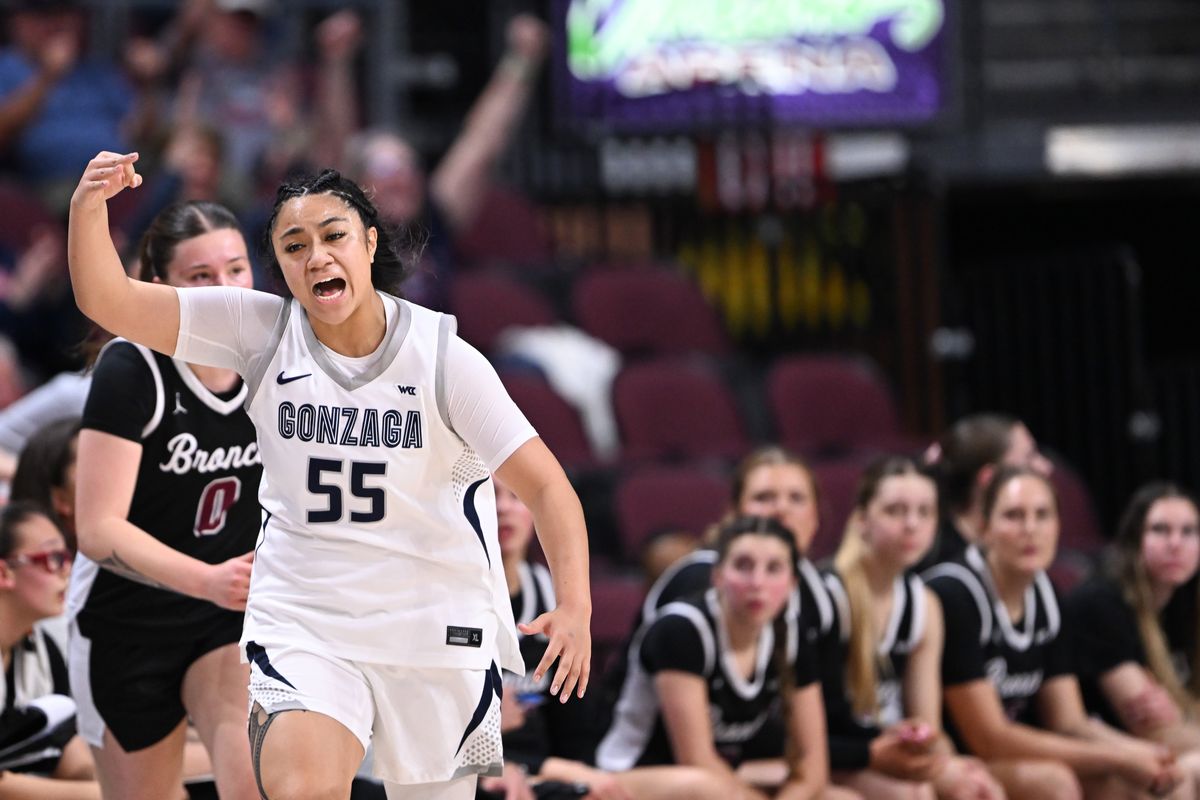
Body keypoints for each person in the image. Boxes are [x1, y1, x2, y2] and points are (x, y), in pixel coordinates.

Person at [67, 154, 592, 800]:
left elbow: (547, 488)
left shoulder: (444, 358)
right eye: (295, 245)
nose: (315, 256)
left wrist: (577, 605)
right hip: (307, 621)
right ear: (281, 266)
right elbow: (107, 300)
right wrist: (88, 207)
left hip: (433, 625)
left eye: (333, 236)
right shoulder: (258, 330)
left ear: (369, 243)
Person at [67, 199, 262, 800]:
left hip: (225, 618)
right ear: (159, 288)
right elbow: (97, 531)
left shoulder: (275, 362)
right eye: (200, 277)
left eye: (235, 269)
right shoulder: (132, 368)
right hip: (125, 617)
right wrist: (204, 578)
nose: (225, 290)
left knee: (257, 780)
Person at [633, 446, 942, 788]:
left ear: (816, 517)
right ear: (734, 514)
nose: (781, 509)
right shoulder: (697, 583)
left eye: (796, 498)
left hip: (760, 758)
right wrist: (865, 752)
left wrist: (881, 738)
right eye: (764, 497)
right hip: (672, 768)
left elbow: (827, 718)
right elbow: (698, 753)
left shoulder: (814, 593)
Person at [924, 466, 1187, 799]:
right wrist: (1119, 757)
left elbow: (1069, 721)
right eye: (1014, 516)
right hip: (958, 757)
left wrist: (1141, 753)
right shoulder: (956, 594)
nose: (1030, 529)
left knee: (1145, 779)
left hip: (1014, 749)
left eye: (1043, 515)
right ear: (984, 527)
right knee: (1053, 782)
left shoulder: (1046, 592)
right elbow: (989, 738)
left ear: (1059, 526)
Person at [487, 477, 725, 800]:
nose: (503, 508)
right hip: (484, 774)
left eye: (516, 496)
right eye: (489, 494)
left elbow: (575, 721)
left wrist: (579, 774)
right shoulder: (446, 603)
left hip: (553, 771)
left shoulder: (553, 594)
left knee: (701, 788)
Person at [335, 13, 551, 309]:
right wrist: (336, 62)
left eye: (409, 166)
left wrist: (523, 59)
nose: (401, 178)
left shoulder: (432, 223)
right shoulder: (335, 240)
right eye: (385, 167)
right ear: (354, 184)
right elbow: (336, 136)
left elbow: (482, 144)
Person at [825, 457, 1002, 800]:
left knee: (979, 786)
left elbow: (926, 722)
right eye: (895, 511)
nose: (912, 524)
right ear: (862, 520)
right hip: (842, 754)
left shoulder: (924, 604)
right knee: (913, 795)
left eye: (925, 512)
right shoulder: (831, 596)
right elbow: (819, 726)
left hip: (890, 748)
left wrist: (929, 746)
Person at [1065, 483, 1200, 777]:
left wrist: (1183, 715)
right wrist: (1183, 716)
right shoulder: (1101, 603)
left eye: (1189, 532)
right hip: (1098, 750)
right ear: (1134, 539)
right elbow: (1155, 729)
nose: (1175, 543)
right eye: (1160, 530)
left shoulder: (1182, 598)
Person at [0, 500, 102, 799]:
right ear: (5, 572)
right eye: (52, 558)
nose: (66, 572)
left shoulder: (42, 648)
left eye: (68, 557)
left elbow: (77, 753)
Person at [917, 414, 1052, 572]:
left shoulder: (1021, 561)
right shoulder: (943, 570)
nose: (1046, 467)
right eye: (1029, 457)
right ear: (989, 478)